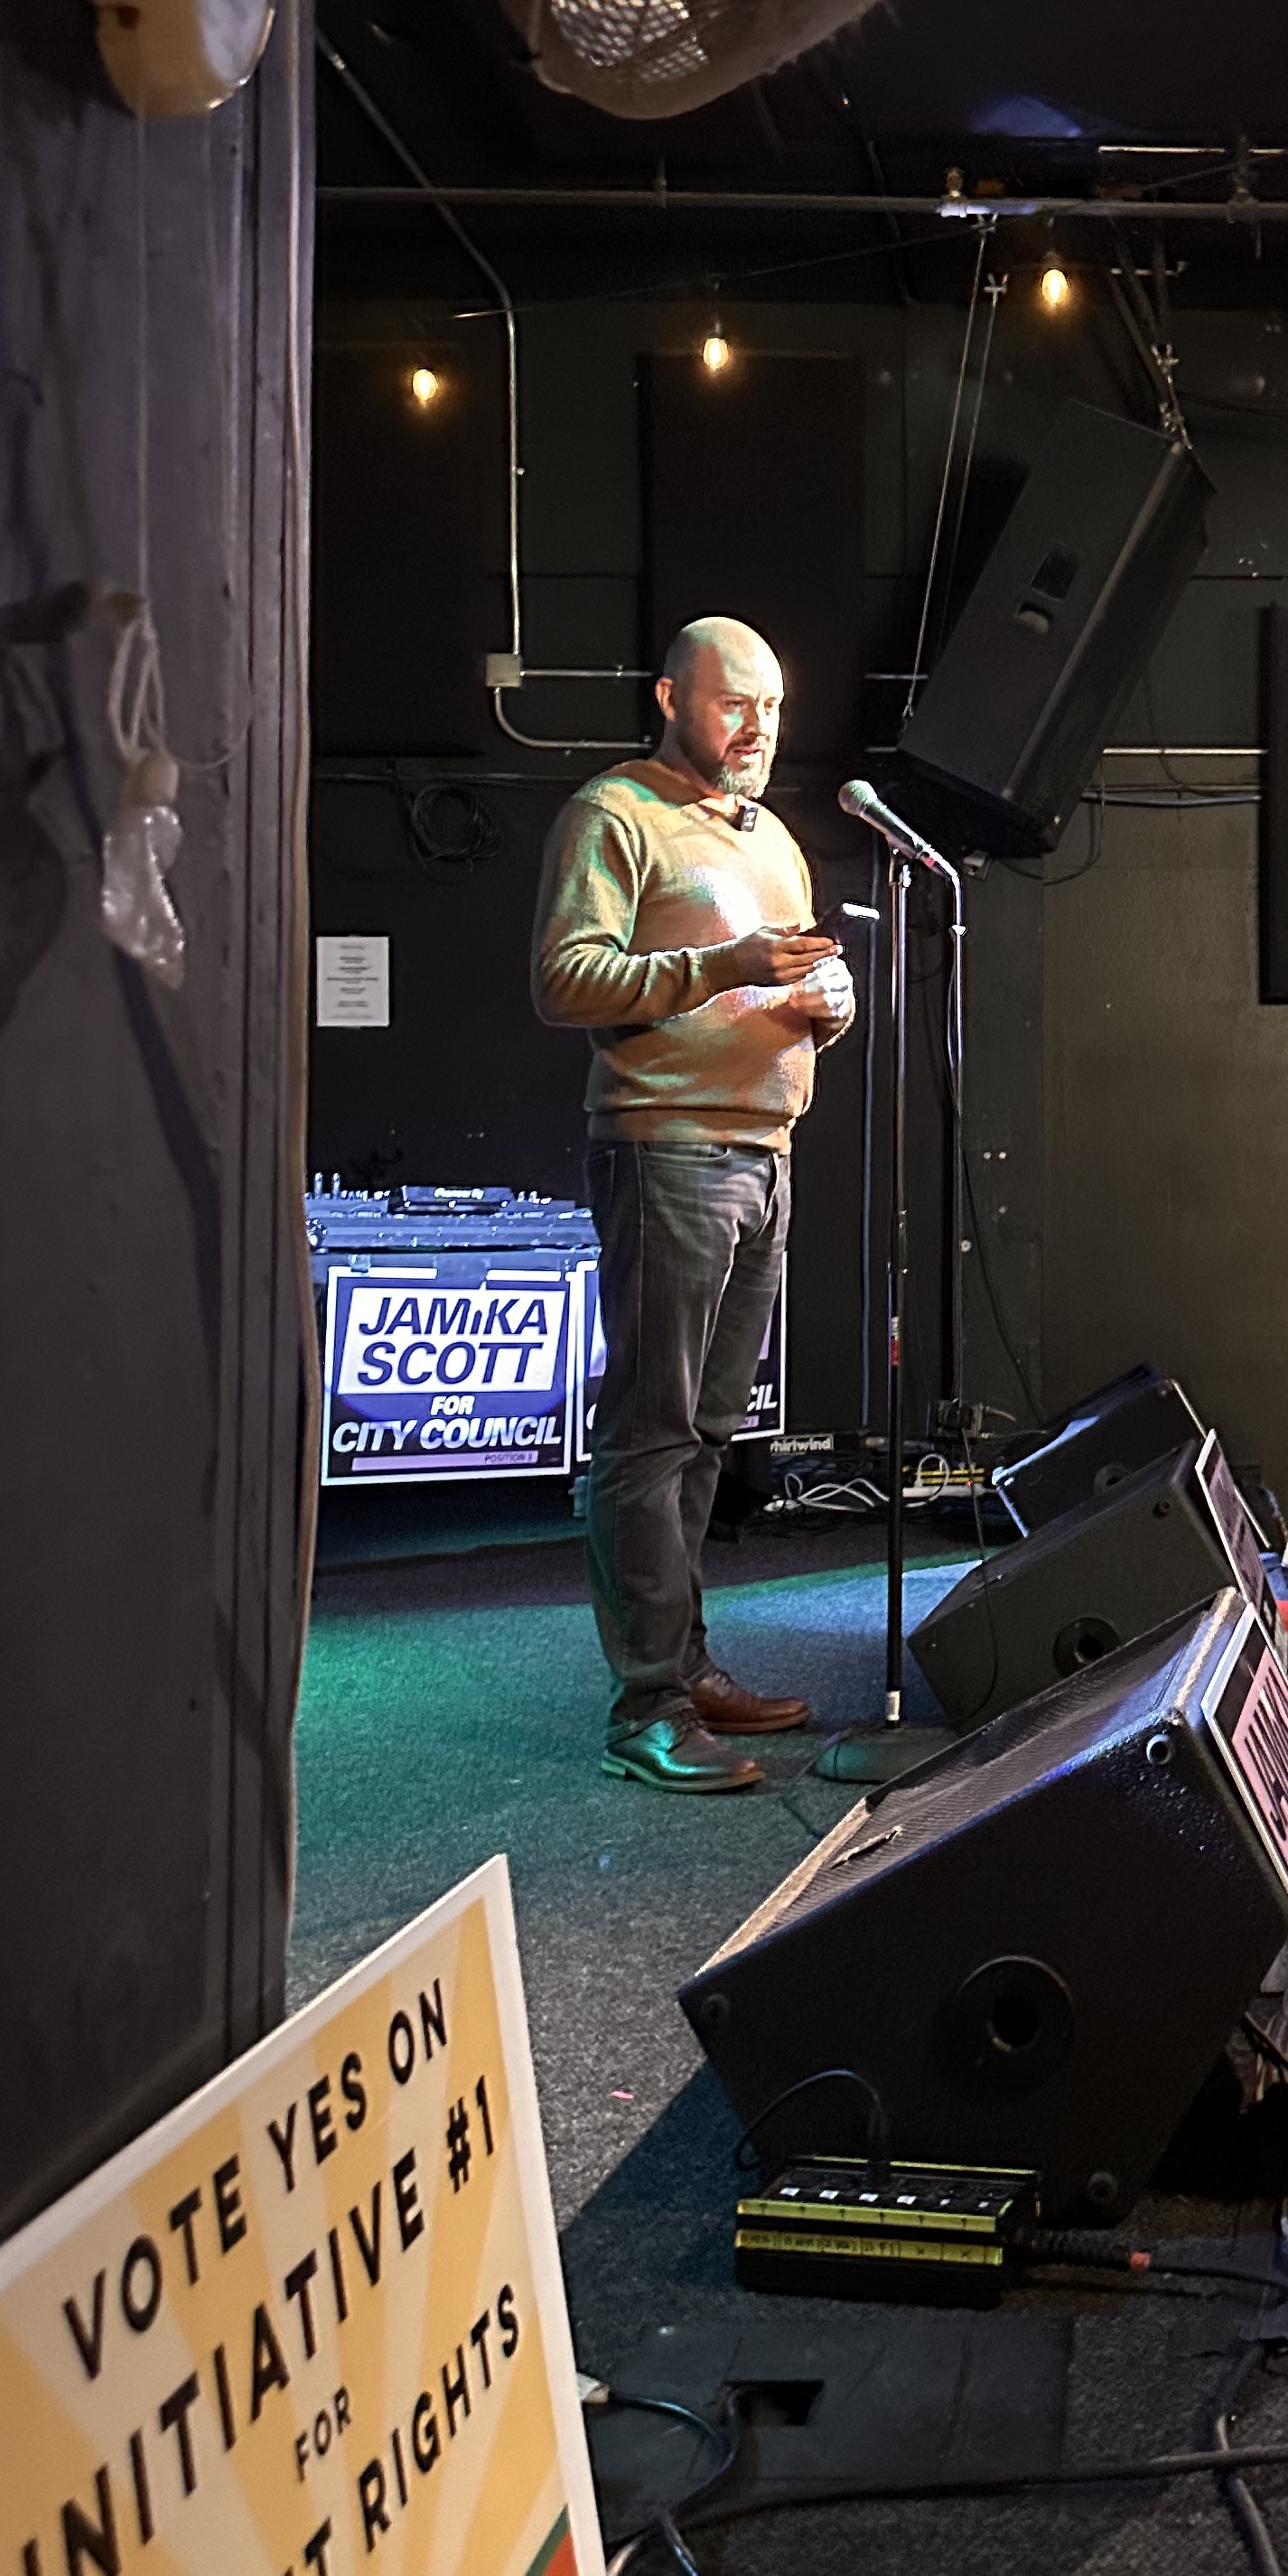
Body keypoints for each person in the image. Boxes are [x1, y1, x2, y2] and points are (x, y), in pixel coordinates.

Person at [533, 616, 858, 1792]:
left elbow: (813, 977)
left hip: (766, 1152)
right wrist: (727, 967)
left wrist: (830, 1006)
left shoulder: (772, 838)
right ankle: (648, 1709)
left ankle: (689, 1660)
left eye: (772, 707)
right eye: (736, 704)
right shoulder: (615, 816)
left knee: (712, 1431)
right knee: (651, 1433)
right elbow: (566, 979)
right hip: (666, 1149)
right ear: (672, 695)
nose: (759, 728)